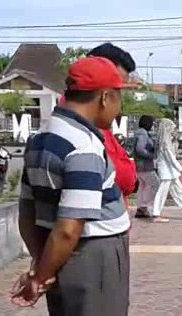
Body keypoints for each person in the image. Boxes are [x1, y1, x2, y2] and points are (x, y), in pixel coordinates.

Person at [12, 56, 134, 316]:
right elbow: (70, 228)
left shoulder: (43, 136)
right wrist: (42, 276)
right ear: (104, 96)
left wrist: (40, 268)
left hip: (61, 258)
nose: (119, 107)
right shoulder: (84, 146)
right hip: (93, 259)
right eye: (119, 97)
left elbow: (28, 213)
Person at [57, 43, 138, 206]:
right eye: (116, 91)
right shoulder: (82, 132)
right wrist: (131, 177)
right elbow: (120, 176)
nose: (118, 100)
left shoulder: (90, 123)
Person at [152, 118, 182, 222]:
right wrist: (180, 168)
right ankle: (156, 214)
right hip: (166, 171)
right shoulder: (165, 143)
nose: (173, 131)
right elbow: (170, 158)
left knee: (179, 191)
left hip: (170, 171)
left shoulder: (167, 141)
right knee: (162, 193)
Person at [134, 115, 157, 218]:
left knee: (143, 186)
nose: (152, 125)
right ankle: (150, 207)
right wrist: (150, 155)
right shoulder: (143, 133)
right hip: (145, 165)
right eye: (152, 123)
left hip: (139, 165)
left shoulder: (139, 132)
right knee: (156, 184)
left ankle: (141, 208)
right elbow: (140, 149)